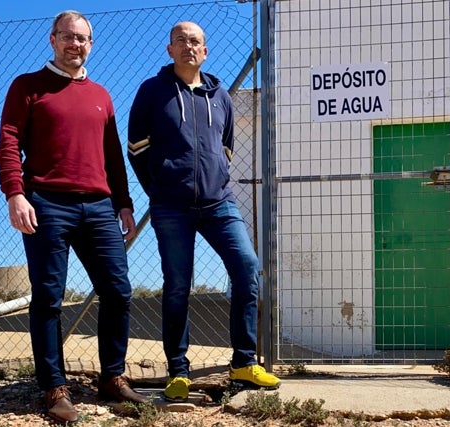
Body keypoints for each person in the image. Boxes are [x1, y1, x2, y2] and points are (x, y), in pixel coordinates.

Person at [0, 10, 148, 424]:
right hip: (46, 204)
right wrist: (15, 194)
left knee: (118, 291)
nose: (75, 44)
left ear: (91, 44)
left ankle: (112, 379)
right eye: (68, 36)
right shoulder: (28, 87)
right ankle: (54, 388)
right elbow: (8, 141)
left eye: (83, 38)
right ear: (52, 39)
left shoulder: (101, 94)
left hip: (100, 208)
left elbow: (113, 155)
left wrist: (124, 202)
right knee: (49, 297)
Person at [127, 21, 280, 401]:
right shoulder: (152, 91)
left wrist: (212, 180)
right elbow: (136, 149)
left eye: (195, 41)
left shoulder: (221, 96)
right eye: (179, 40)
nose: (187, 47)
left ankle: (244, 363)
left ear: (205, 51)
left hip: (219, 203)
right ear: (169, 49)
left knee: (246, 268)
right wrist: (161, 188)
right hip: (171, 206)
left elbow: (225, 149)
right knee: (178, 285)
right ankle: (178, 371)